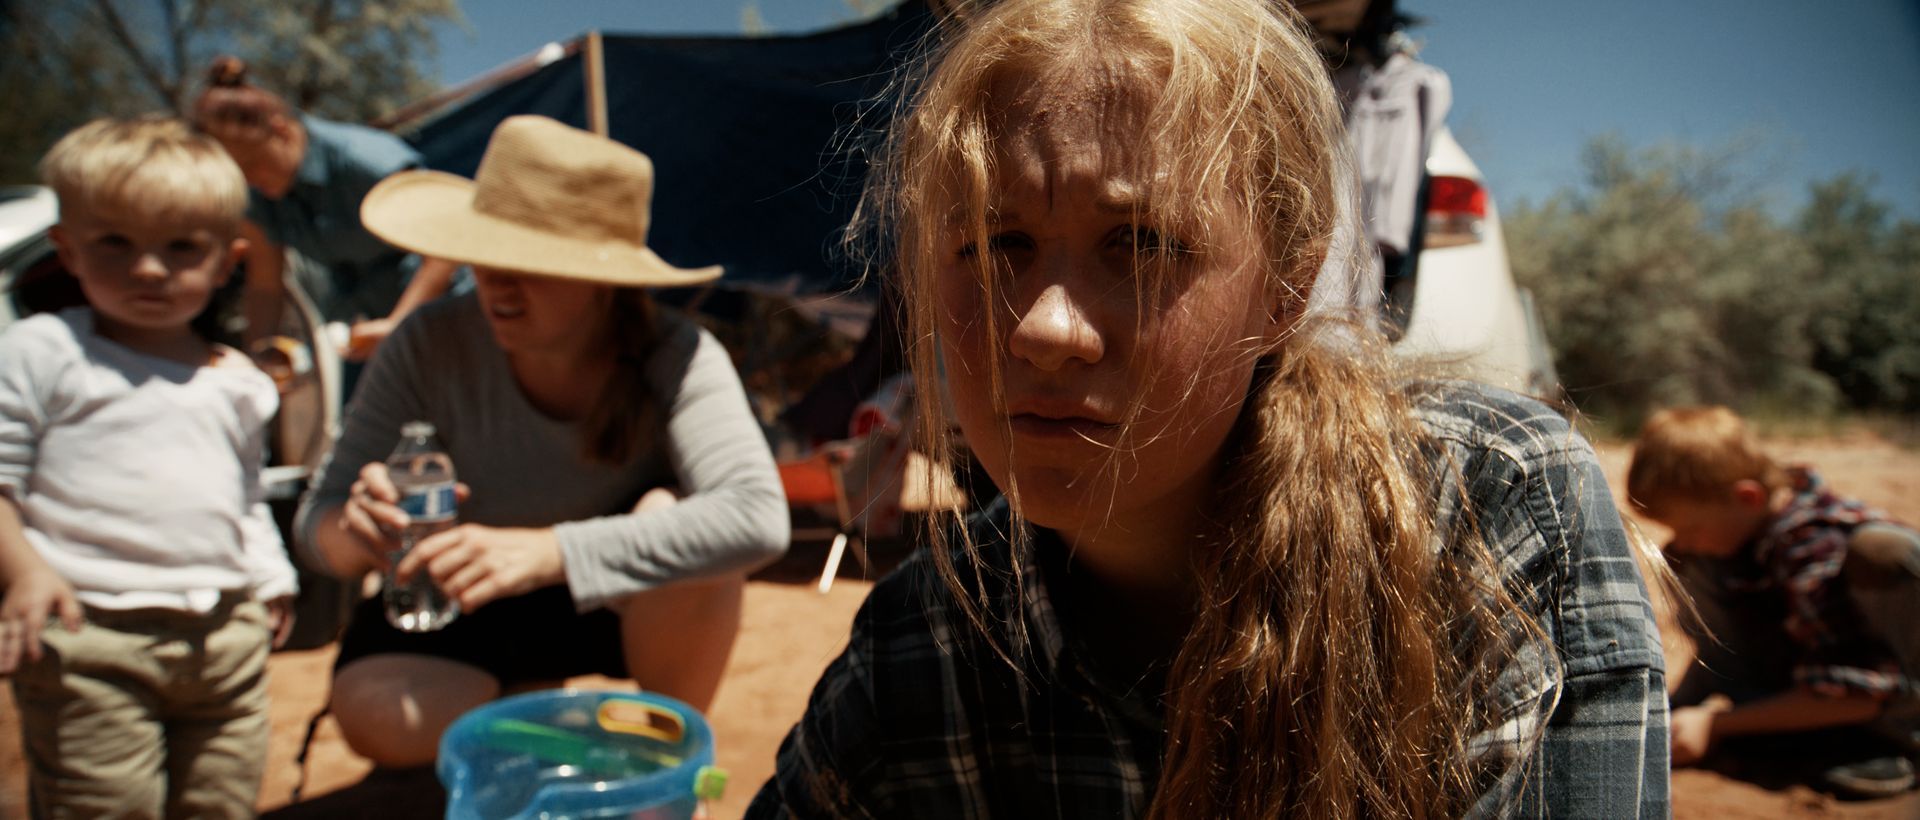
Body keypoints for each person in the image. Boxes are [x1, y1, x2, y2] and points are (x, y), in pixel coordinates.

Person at [750, 0, 1668, 817]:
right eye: (996, 244)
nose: (1045, 329)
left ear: (1287, 285)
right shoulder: (928, 642)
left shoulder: (1484, 514)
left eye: (1140, 242)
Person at [293, 114, 789, 768]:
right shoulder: (427, 343)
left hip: (615, 601)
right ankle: (561, 734)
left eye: (531, 260)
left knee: (675, 517)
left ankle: (660, 752)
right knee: (377, 714)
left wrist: (548, 552)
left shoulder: (677, 354)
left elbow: (756, 516)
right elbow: (316, 524)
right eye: (485, 249)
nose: (496, 280)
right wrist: (359, 531)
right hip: (463, 600)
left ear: (603, 277)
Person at [0, 115, 298, 818]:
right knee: (106, 804)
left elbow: (244, 495)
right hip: (89, 636)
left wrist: (271, 574)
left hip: (225, 635)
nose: (149, 269)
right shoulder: (46, 352)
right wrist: (25, 571)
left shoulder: (238, 382)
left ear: (226, 262)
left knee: (221, 800)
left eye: (181, 247)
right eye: (116, 242)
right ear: (67, 250)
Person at [1629, 405, 1920, 798]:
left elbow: (1857, 692)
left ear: (1747, 497)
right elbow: (1716, 652)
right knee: (1688, 560)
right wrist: (1673, 713)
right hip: (1805, 680)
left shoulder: (1815, 545)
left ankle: (1895, 741)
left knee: (1881, 552)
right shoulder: (1743, 531)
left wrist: (1715, 724)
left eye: (1691, 528)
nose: (1682, 541)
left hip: (1872, 697)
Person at [192, 57, 460, 364]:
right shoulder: (257, 195)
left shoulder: (363, 160)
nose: (249, 180)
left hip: (447, 315)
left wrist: (398, 323)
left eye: (252, 164)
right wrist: (259, 359)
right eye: (238, 174)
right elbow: (265, 285)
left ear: (281, 131)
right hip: (369, 331)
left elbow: (445, 245)